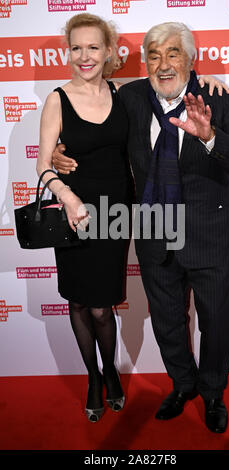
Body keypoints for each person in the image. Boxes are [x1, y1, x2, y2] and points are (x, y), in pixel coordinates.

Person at [52, 20, 229, 433]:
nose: (163, 64)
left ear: (190, 59)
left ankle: (212, 392)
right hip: (156, 232)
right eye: (154, 55)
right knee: (167, 320)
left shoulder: (221, 101)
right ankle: (182, 384)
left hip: (211, 235)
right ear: (144, 62)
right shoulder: (133, 97)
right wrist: (59, 151)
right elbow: (96, 130)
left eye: (173, 53)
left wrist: (210, 134)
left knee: (216, 322)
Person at [36, 13, 134, 423]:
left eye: (93, 47)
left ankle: (110, 368)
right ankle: (93, 377)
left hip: (115, 215)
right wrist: (67, 195)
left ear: (109, 51)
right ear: (68, 52)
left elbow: (173, 87)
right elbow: (43, 167)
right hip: (73, 216)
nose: (84, 56)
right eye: (76, 48)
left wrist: (210, 83)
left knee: (101, 306)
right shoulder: (57, 98)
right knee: (79, 301)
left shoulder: (125, 94)